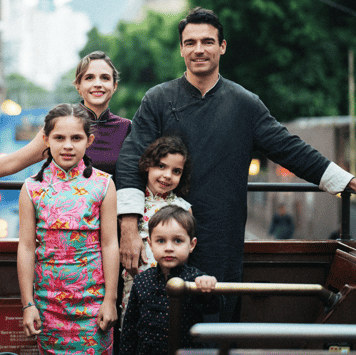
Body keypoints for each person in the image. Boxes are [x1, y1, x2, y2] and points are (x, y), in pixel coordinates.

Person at [116, 7, 356, 321]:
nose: (199, 49)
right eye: (190, 43)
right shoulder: (158, 99)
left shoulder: (245, 103)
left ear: (222, 46)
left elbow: (289, 148)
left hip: (222, 235)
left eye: (207, 41)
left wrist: (350, 182)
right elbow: (131, 158)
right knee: (160, 324)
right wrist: (129, 230)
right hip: (162, 236)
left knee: (218, 323)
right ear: (181, 48)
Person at [0, 51, 131, 193]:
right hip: (68, 225)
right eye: (89, 78)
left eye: (105, 78)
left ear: (114, 86)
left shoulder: (126, 128)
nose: (97, 83)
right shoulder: (62, 123)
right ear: (79, 87)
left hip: (112, 228)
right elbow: (15, 160)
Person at [17, 103, 118, 354]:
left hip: (94, 303)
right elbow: (27, 248)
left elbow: (109, 244)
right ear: (45, 139)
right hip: (47, 304)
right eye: (59, 138)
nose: (68, 145)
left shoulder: (104, 184)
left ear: (89, 140)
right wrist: (28, 304)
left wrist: (110, 300)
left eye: (76, 138)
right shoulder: (31, 188)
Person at [120, 205, 217, 355]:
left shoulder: (196, 279)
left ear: (191, 245)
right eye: (161, 241)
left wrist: (209, 288)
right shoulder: (141, 280)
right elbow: (129, 329)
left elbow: (213, 307)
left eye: (178, 241)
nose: (169, 248)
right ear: (150, 244)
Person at [121, 135, 192, 316]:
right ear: (147, 165)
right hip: (134, 284)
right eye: (161, 166)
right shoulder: (131, 205)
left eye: (176, 171)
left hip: (171, 285)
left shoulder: (183, 208)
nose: (167, 176)